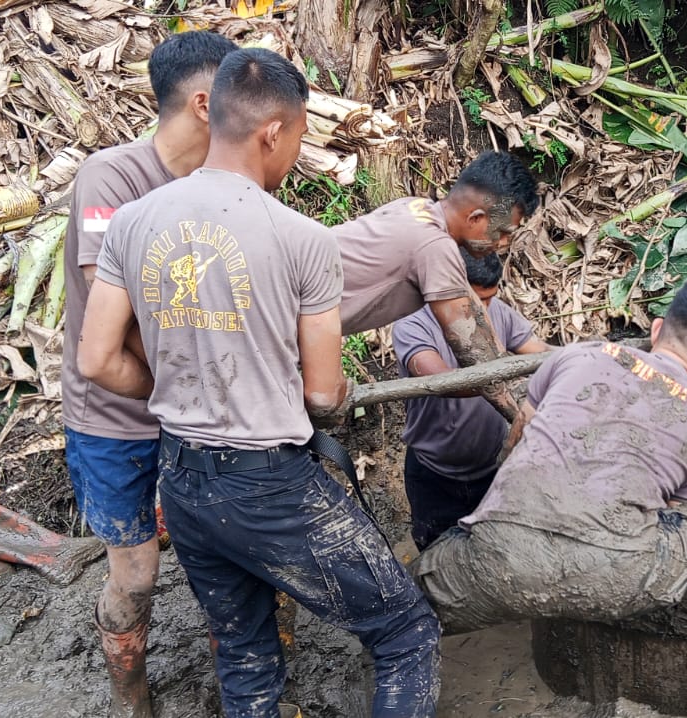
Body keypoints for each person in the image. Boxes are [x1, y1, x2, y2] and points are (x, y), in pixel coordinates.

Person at [79, 48, 439, 718]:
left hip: (181, 482)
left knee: (245, 655)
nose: (294, 155)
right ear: (273, 132)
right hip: (267, 485)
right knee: (405, 632)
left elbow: (97, 359)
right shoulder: (303, 239)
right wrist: (322, 399)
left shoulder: (133, 222)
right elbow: (323, 394)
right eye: (298, 138)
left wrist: (180, 388)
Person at [413, 276, 687, 717]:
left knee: (399, 607)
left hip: (499, 558)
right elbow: (679, 519)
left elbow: (518, 438)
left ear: (657, 329)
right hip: (618, 579)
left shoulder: (578, 355)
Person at [59, 29, 237, 717]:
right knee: (135, 574)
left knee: (229, 553)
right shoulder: (111, 178)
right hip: (117, 412)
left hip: (198, 410)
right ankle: (130, 695)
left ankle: (238, 685)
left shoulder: (220, 188)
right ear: (204, 103)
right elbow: (116, 312)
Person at [331, 150, 539, 422]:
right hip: (283, 321)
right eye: (502, 233)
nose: (503, 244)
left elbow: (475, 314)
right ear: (475, 218)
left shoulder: (413, 208)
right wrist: (523, 419)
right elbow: (477, 358)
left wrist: (514, 377)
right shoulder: (435, 247)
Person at [392, 248, 550, 550]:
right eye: (476, 301)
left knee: (495, 545)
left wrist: (583, 355)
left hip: (491, 465)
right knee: (435, 547)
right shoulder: (412, 324)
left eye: (490, 299)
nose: (484, 310)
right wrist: (506, 375)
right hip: (434, 471)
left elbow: (538, 351)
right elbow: (440, 381)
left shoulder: (498, 311)